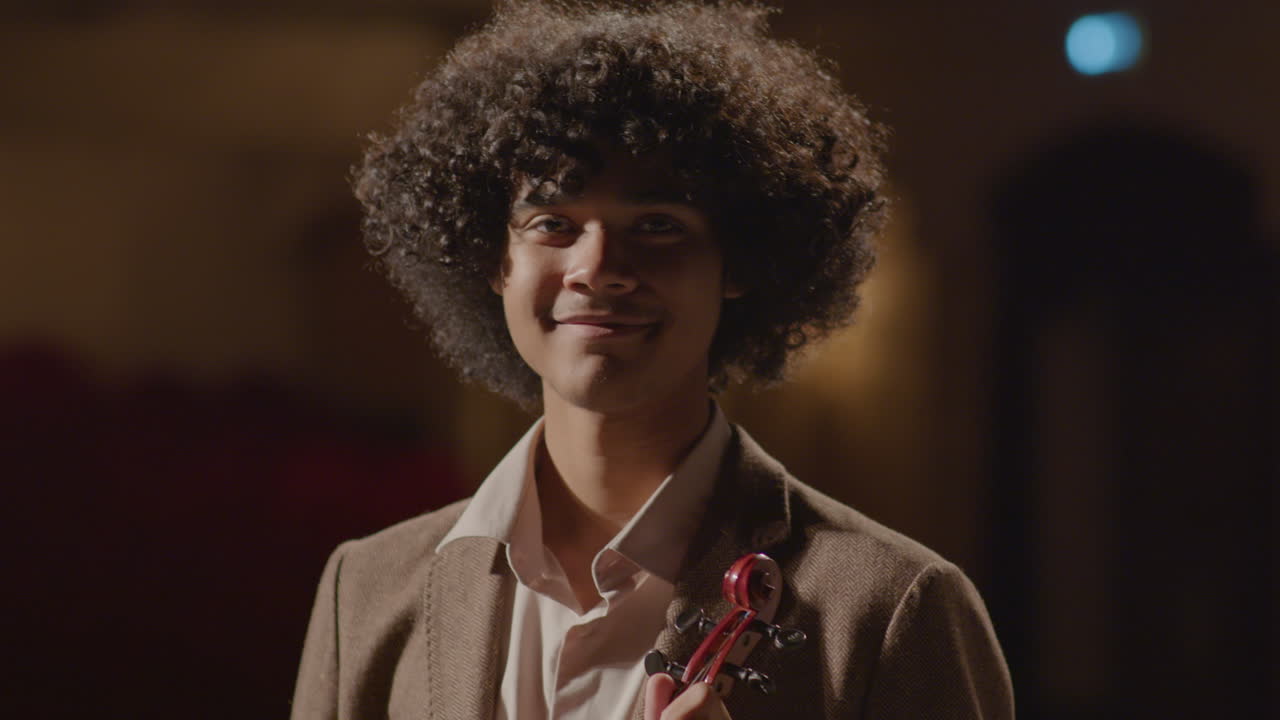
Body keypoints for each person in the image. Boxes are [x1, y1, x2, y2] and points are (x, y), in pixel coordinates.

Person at [290, 2, 1014, 719]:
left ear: (740, 262)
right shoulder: (367, 590)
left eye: (659, 225)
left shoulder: (894, 607)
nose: (598, 268)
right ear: (493, 259)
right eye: (553, 223)